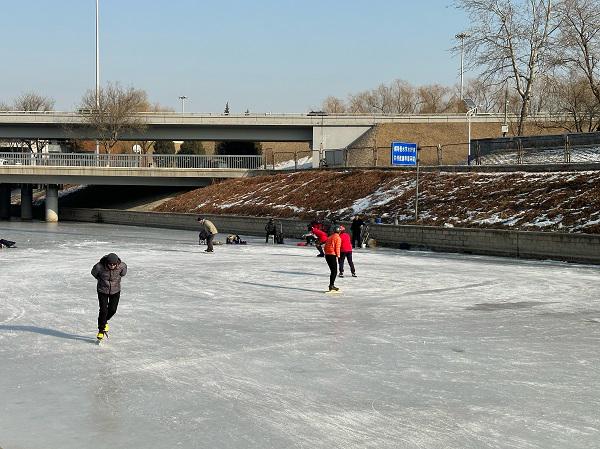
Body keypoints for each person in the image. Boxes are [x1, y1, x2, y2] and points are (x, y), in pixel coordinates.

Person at [91, 253, 127, 341]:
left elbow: (123, 273)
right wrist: (101, 280)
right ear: (107, 263)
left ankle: (104, 321)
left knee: (113, 310)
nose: (112, 266)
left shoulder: (122, 266)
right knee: (103, 310)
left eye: (114, 264)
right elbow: (94, 273)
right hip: (102, 290)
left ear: (117, 263)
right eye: (110, 264)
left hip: (115, 290)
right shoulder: (99, 267)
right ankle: (101, 330)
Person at [323, 225, 342, 291]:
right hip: (332, 255)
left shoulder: (330, 237)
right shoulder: (338, 238)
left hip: (327, 255)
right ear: (339, 231)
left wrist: (326, 253)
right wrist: (338, 256)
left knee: (332, 271)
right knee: (334, 271)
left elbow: (325, 247)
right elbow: (337, 248)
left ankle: (331, 285)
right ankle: (331, 285)